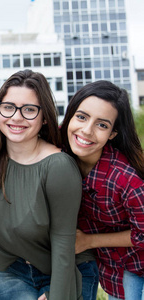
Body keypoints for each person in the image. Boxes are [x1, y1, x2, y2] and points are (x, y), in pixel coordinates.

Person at [0, 69, 83, 300]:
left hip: (56, 274)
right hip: (10, 272)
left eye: (29, 110)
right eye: (8, 107)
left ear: (44, 117)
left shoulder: (58, 167)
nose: (16, 117)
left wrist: (57, 295)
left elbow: (64, 242)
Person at [60, 80, 144, 300]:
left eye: (102, 125)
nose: (86, 131)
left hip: (137, 268)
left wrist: (89, 241)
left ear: (112, 134)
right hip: (109, 270)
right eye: (81, 117)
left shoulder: (125, 180)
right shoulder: (57, 152)